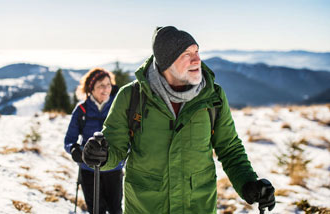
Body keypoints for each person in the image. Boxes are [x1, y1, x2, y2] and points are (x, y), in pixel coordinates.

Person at [82, 26, 275, 213]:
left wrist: (248, 183)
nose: (197, 60)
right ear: (167, 62)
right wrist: (102, 155)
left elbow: (229, 148)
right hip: (145, 207)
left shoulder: (212, 97)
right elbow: (115, 148)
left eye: (197, 51)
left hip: (197, 207)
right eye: (187, 54)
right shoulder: (132, 96)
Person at [64, 68, 123, 214]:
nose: (106, 89)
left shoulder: (118, 108)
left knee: (116, 209)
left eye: (108, 84)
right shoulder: (81, 110)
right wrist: (74, 150)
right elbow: (69, 140)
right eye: (100, 85)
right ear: (91, 88)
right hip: (88, 169)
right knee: (96, 210)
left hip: (113, 169)